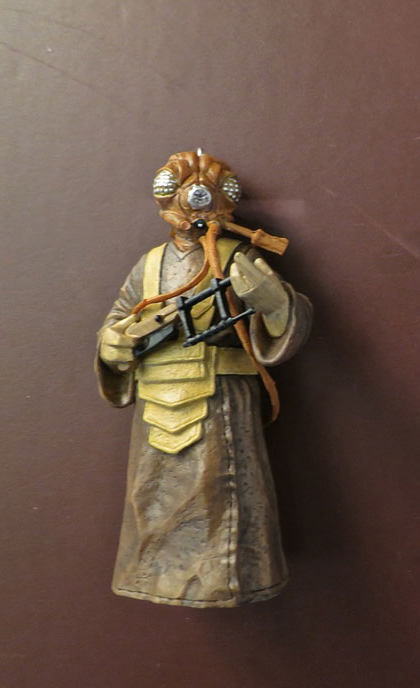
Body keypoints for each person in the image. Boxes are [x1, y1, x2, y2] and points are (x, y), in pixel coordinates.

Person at [95, 150, 312, 607]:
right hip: (155, 408)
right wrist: (111, 345)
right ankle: (156, 576)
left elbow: (288, 314)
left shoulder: (237, 255)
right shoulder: (149, 265)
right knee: (153, 501)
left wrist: (275, 303)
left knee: (222, 505)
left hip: (220, 404)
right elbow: (119, 319)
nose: (193, 201)